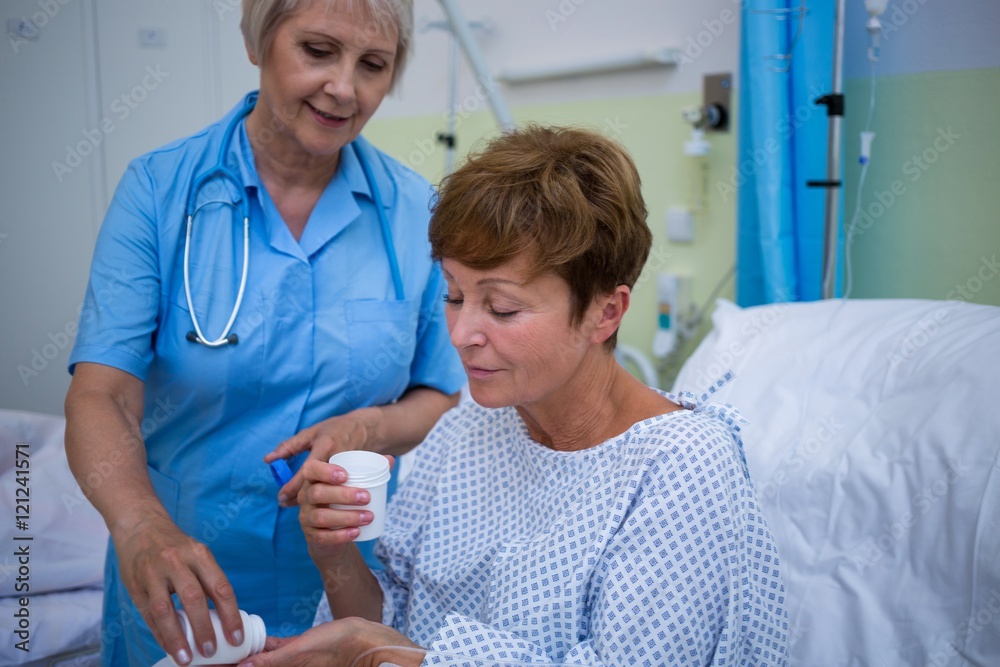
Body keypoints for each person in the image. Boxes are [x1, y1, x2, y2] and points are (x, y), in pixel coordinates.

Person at [246, 125, 789, 666]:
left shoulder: (680, 469)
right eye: (455, 296)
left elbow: (380, 648)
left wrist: (384, 652)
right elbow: (384, 624)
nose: (461, 335)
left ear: (606, 313)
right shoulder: (468, 428)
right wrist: (334, 556)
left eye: (503, 309)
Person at [63, 1, 464, 665]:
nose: (344, 88)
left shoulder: (414, 212)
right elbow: (101, 394)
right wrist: (138, 525)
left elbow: (441, 394)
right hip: (182, 583)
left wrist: (369, 426)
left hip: (347, 591)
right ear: (259, 42)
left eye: (373, 65)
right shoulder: (160, 191)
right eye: (317, 51)